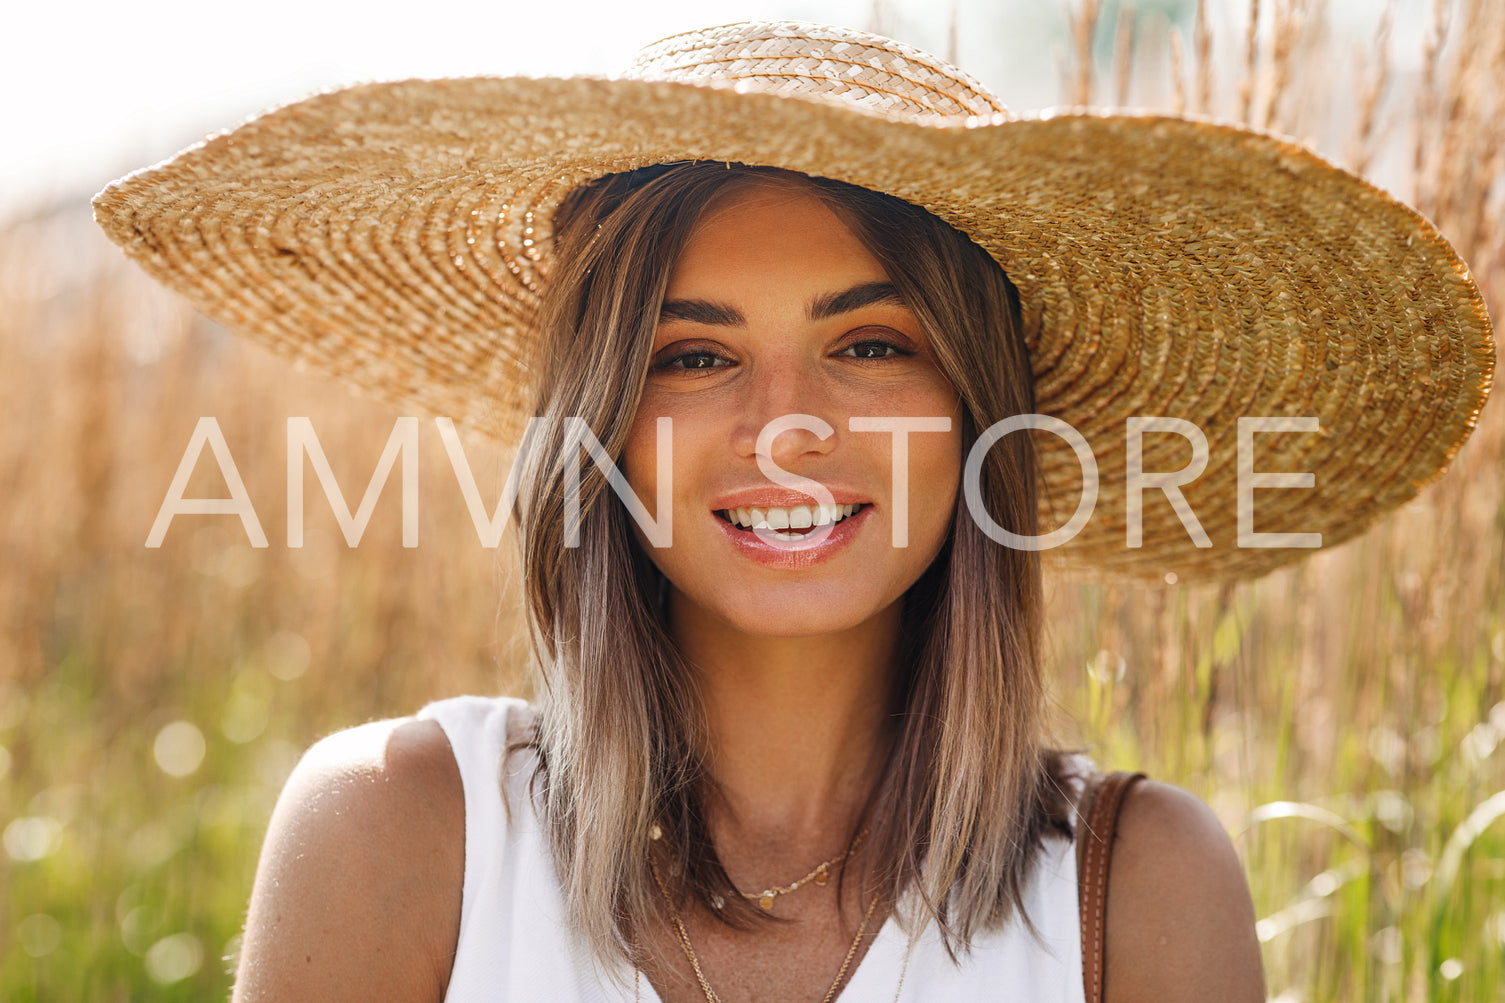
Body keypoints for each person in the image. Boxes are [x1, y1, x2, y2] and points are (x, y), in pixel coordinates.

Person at [93, 21, 1493, 1003]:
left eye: (872, 344)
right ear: (604, 433)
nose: (785, 427)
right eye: (691, 356)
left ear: (975, 414)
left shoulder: (1135, 893)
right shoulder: (400, 837)